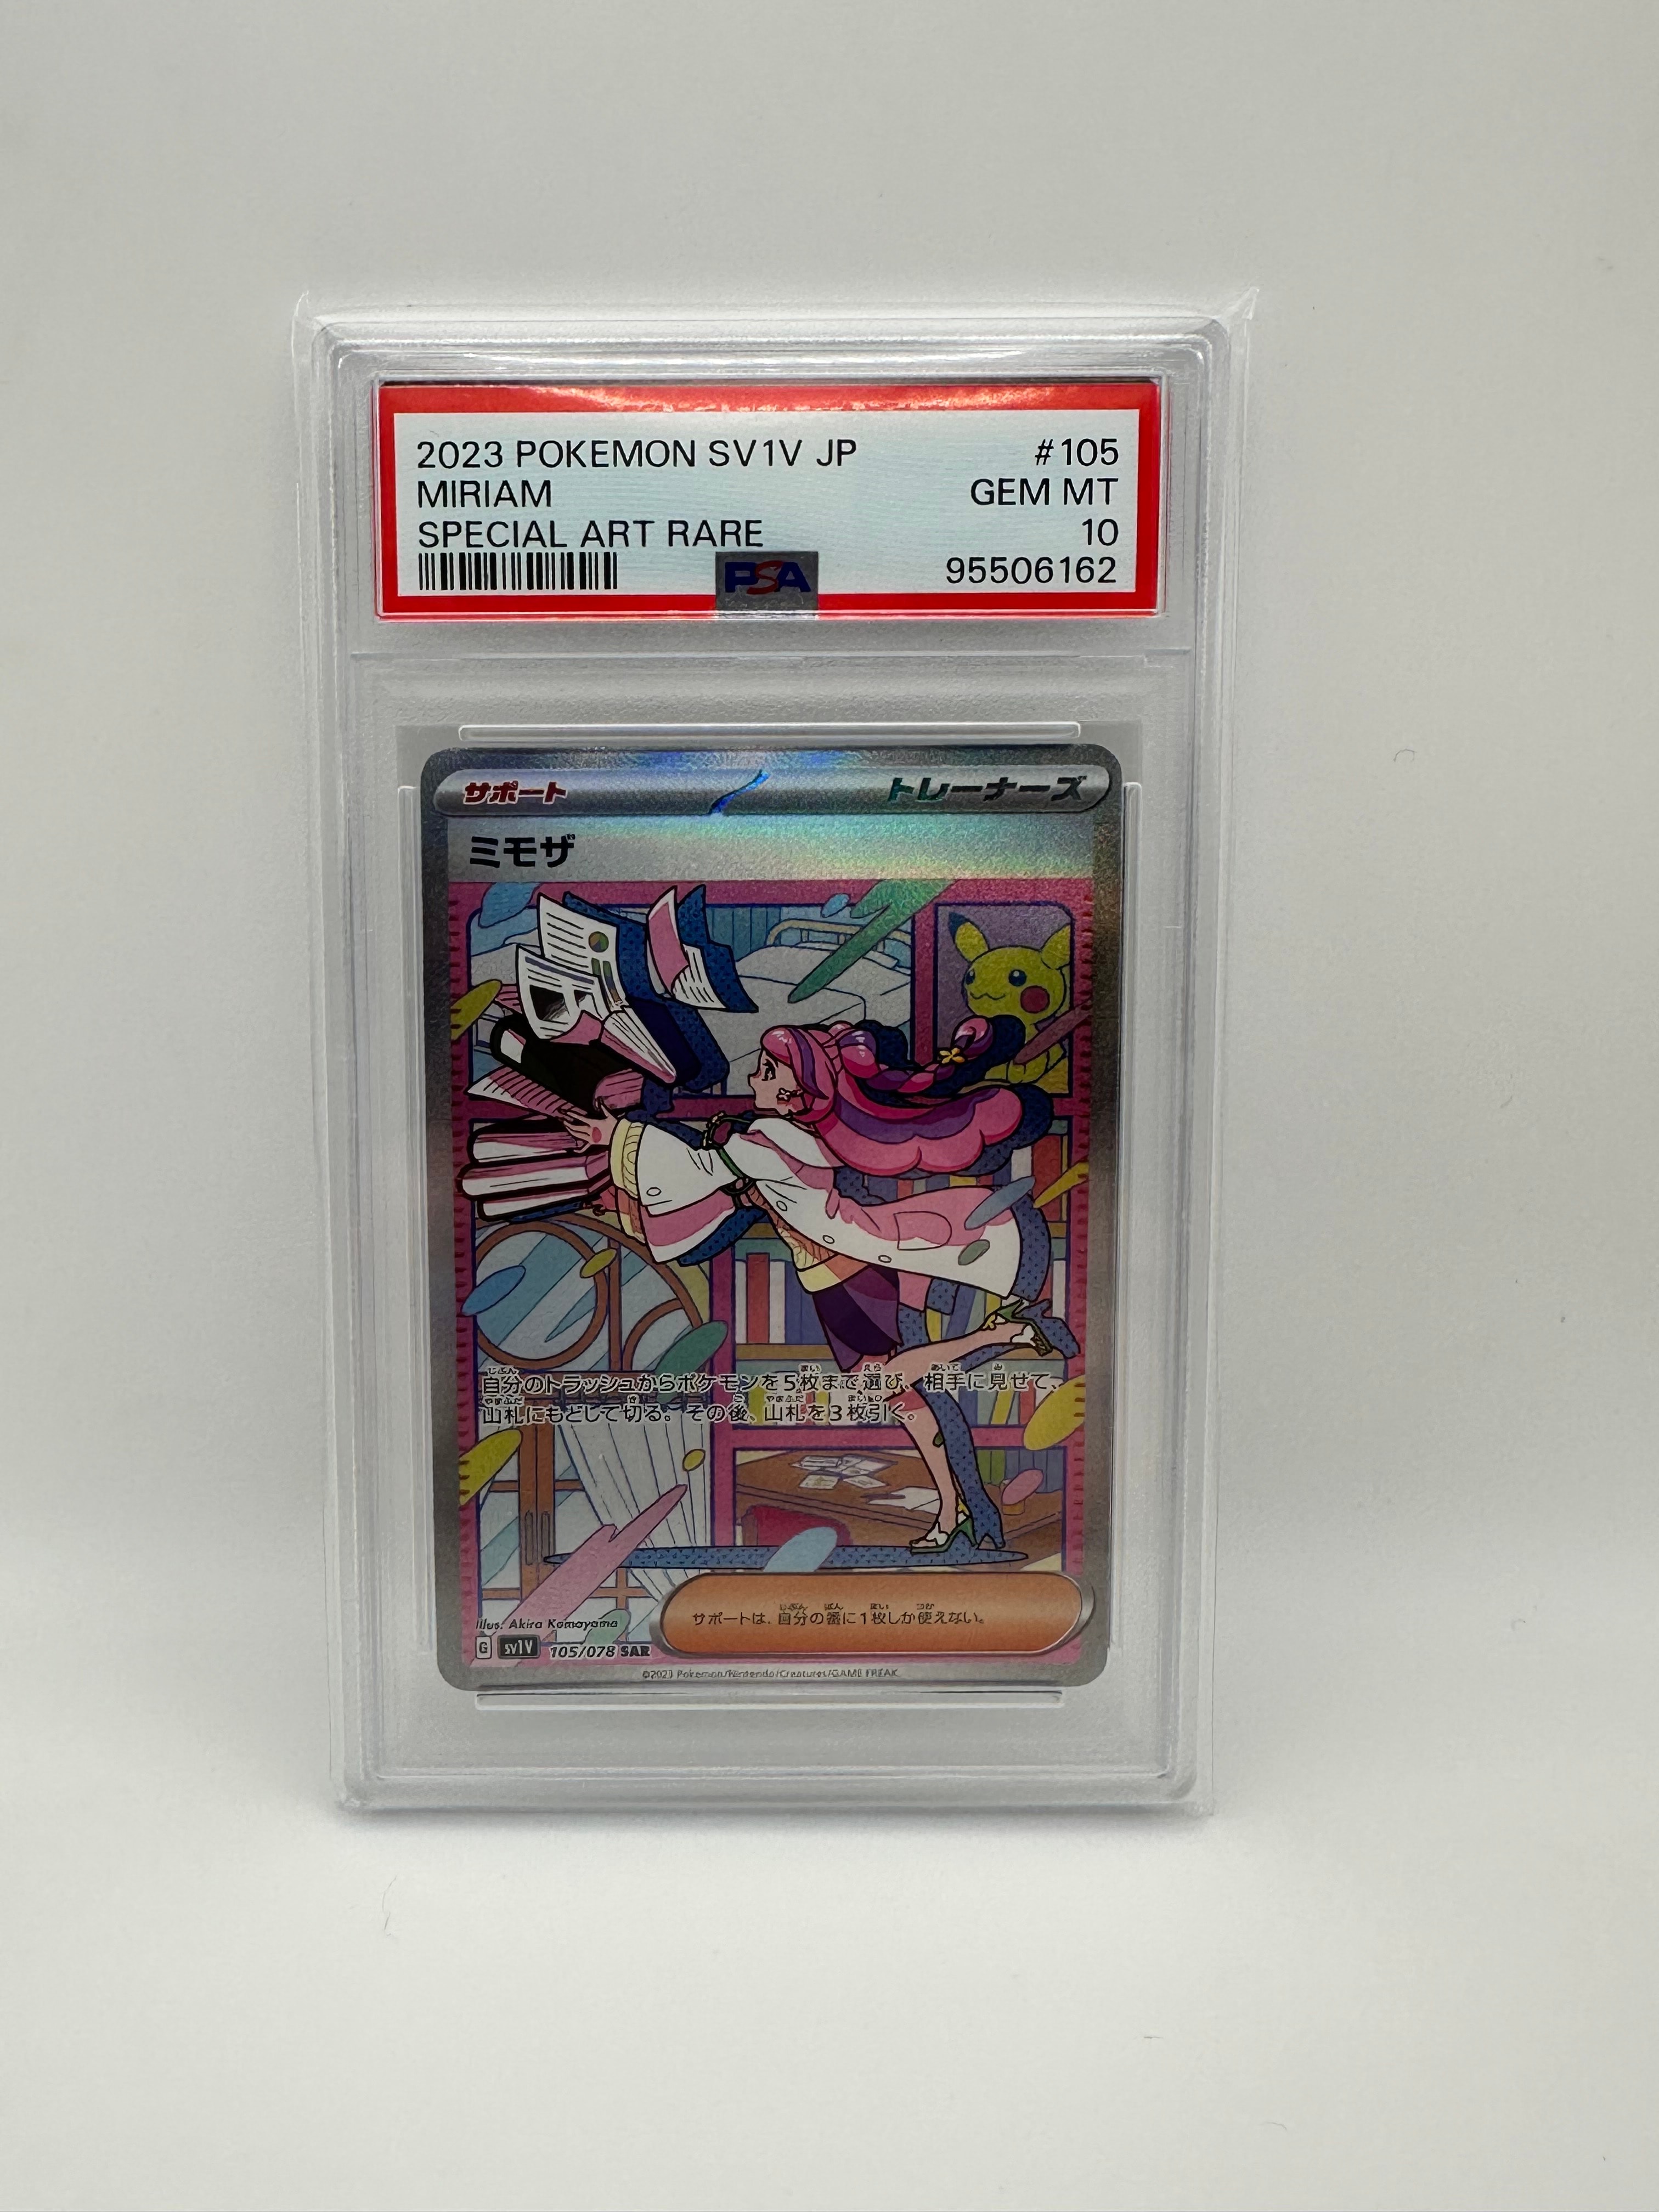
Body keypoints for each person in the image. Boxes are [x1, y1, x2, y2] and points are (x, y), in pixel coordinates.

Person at [554, 1015, 1076, 1555]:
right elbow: (752, 1190)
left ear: (794, 1094)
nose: (752, 1078)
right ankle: (953, 1509)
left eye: (766, 1071)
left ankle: (1008, 1338)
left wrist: (616, 1135)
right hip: (833, 1277)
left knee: (888, 1384)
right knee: (904, 1398)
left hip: (851, 1275)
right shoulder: (785, 1139)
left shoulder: (769, 1139)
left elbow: (697, 1169)